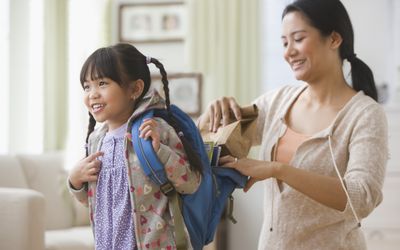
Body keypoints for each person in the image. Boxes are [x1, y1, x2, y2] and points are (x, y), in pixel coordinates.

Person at [198, 0, 388, 249]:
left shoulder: (365, 115)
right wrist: (212, 112)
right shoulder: (277, 101)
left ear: (333, 39)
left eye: (298, 39)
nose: (288, 52)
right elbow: (208, 143)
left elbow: (361, 198)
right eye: (284, 43)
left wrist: (279, 170)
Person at [67, 43, 201, 250]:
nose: (92, 93)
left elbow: (190, 183)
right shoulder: (96, 141)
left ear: (135, 89)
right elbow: (93, 201)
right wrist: (75, 181)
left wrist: (161, 152)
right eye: (87, 86)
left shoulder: (155, 130)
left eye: (102, 83)